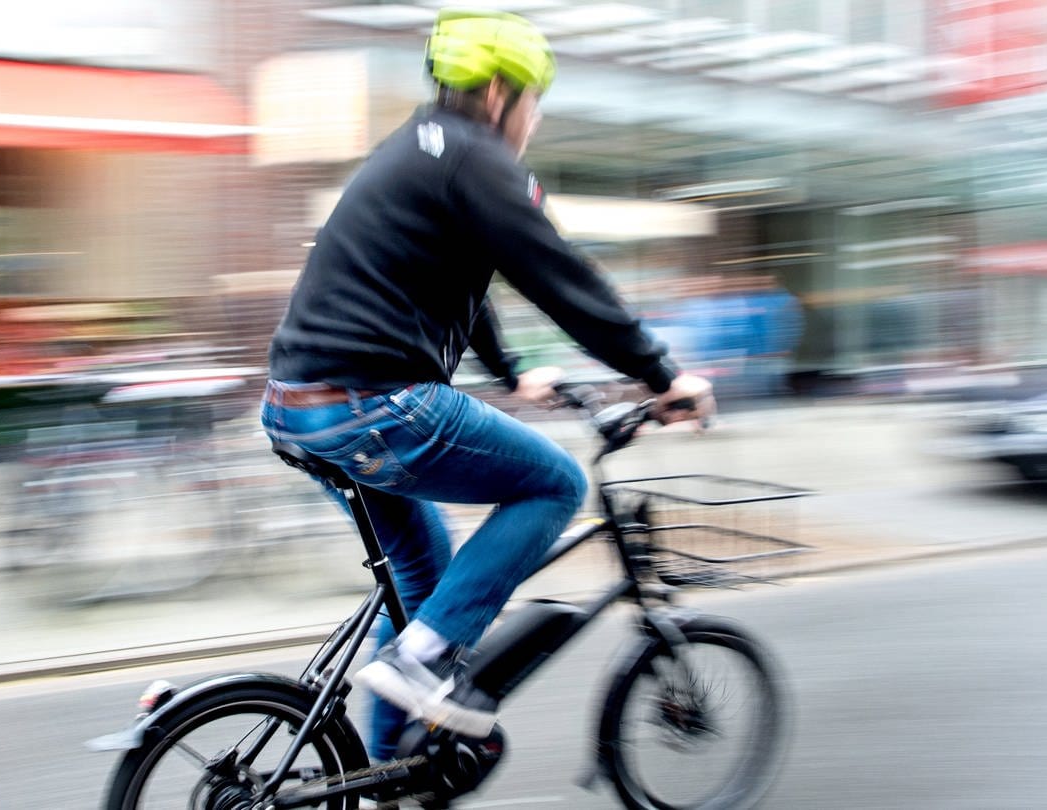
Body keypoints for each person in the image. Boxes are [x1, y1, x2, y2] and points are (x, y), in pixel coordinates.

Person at [260, 7, 714, 760]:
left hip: (297, 408)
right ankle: (423, 662)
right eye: (535, 99)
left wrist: (511, 372)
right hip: (376, 405)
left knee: (423, 574)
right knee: (553, 485)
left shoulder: (418, 148)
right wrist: (661, 375)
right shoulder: (477, 158)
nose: (533, 118)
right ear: (502, 90)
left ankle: (391, 770)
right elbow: (561, 276)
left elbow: (454, 283)